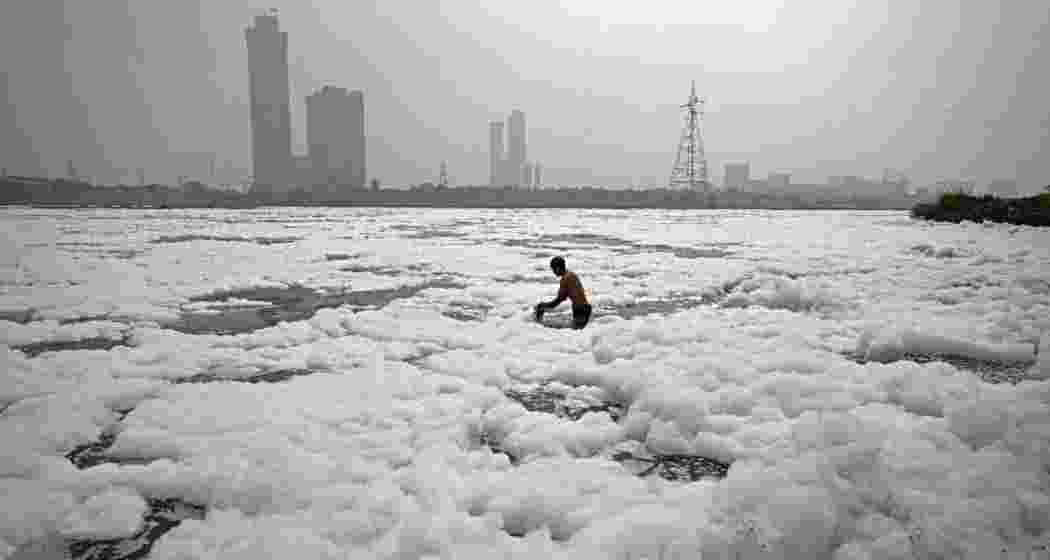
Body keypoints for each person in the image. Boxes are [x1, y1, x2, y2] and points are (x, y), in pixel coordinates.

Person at [534, 256, 592, 329]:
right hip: (584, 308)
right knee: (577, 332)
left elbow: (558, 300)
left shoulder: (565, 279)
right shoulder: (571, 274)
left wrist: (542, 306)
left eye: (553, 269)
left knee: (575, 334)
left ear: (558, 268)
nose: (553, 272)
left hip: (580, 310)